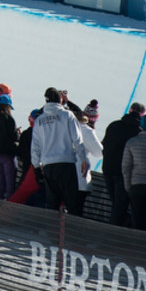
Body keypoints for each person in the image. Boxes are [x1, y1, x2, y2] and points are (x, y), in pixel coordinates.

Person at [32, 86, 89, 217]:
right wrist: (83, 158)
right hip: (66, 164)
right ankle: (74, 233)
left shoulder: (39, 120)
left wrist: (36, 167)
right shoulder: (67, 115)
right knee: (73, 203)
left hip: (48, 166)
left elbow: (35, 147)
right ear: (60, 100)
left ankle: (51, 234)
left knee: (52, 203)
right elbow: (77, 139)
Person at [101, 102, 146, 226]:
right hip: (124, 173)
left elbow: (104, 146)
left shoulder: (114, 125)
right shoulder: (139, 133)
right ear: (142, 115)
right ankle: (112, 235)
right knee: (120, 207)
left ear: (130, 110)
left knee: (116, 205)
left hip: (108, 169)